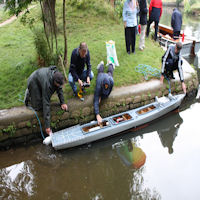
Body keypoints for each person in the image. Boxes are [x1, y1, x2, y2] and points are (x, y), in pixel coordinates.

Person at [24, 66, 68, 135]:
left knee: (43, 97)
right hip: (33, 81)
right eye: (58, 85)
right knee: (38, 107)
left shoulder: (57, 77)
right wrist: (47, 126)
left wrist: (63, 103)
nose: (59, 86)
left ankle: (35, 93)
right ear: (54, 81)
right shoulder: (47, 84)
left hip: (40, 79)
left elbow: (60, 90)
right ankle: (29, 93)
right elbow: (46, 104)